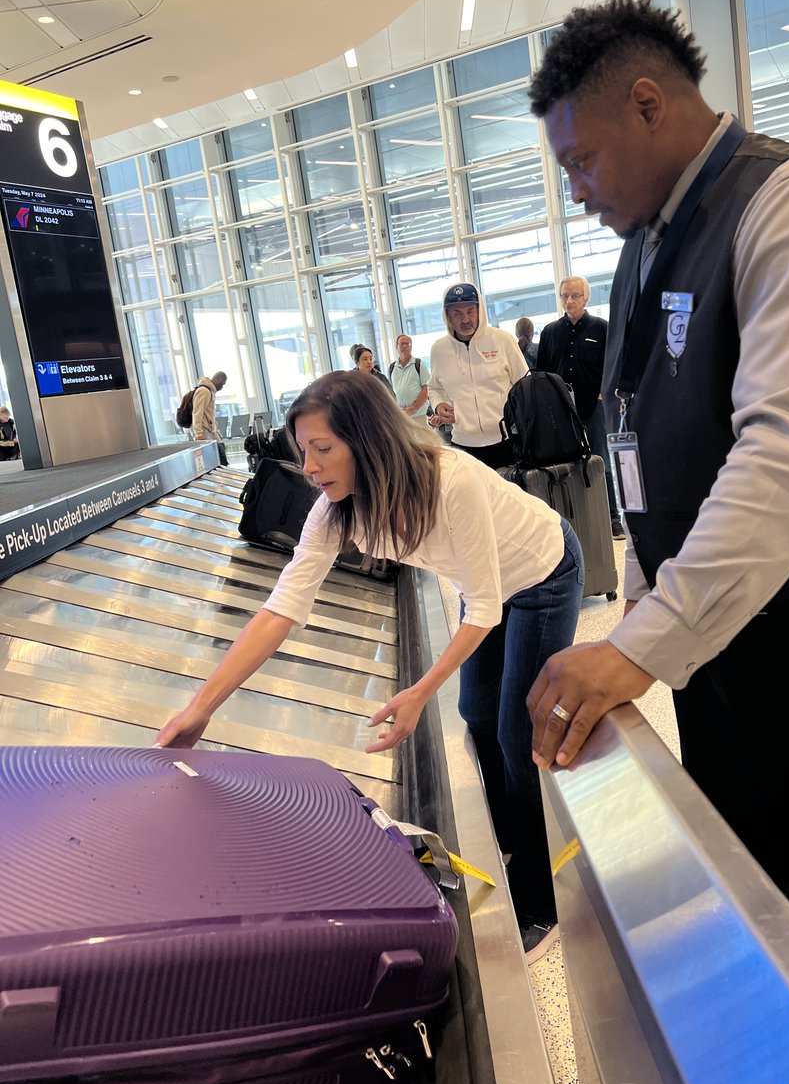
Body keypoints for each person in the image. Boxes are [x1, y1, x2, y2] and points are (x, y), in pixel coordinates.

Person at [524, 0, 789, 1032]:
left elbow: (786, 459)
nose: (578, 192)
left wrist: (641, 644)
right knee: (757, 912)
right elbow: (649, 437)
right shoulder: (647, 242)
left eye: (581, 162)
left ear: (650, 105)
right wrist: (648, 623)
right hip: (723, 649)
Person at [155, 371, 584, 959]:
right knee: (477, 714)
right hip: (484, 588)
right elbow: (282, 608)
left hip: (542, 574)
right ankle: (511, 840)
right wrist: (199, 709)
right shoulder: (336, 512)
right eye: (304, 450)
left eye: (323, 449)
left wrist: (417, 693)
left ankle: (540, 901)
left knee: (515, 732)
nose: (308, 465)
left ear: (368, 439)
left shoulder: (446, 477)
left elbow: (483, 608)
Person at [536, 276, 625, 539]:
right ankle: (572, 520)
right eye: (565, 295)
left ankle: (612, 518)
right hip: (562, 412)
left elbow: (614, 365)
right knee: (565, 465)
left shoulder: (601, 328)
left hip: (594, 408)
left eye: (575, 296)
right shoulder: (551, 332)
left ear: (586, 298)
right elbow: (542, 372)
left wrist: (604, 393)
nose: (569, 301)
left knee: (601, 462)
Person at [428, 282, 529, 468]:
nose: (465, 319)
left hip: (506, 440)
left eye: (470, 311)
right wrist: (438, 404)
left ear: (479, 310)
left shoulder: (502, 341)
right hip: (464, 445)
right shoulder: (439, 350)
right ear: (448, 316)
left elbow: (525, 385)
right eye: (457, 313)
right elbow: (434, 387)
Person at [388, 334, 431, 418]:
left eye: (408, 344)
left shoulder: (419, 364)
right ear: (396, 347)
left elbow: (427, 389)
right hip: (402, 416)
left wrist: (414, 408)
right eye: (402, 344)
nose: (405, 346)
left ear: (411, 347)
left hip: (420, 414)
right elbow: (390, 392)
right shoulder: (391, 368)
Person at [192, 371, 228, 466]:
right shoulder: (204, 391)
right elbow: (197, 413)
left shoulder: (210, 391)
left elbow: (209, 414)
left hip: (211, 432)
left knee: (221, 453)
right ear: (219, 380)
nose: (222, 387)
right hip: (204, 432)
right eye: (222, 384)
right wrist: (198, 434)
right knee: (212, 461)